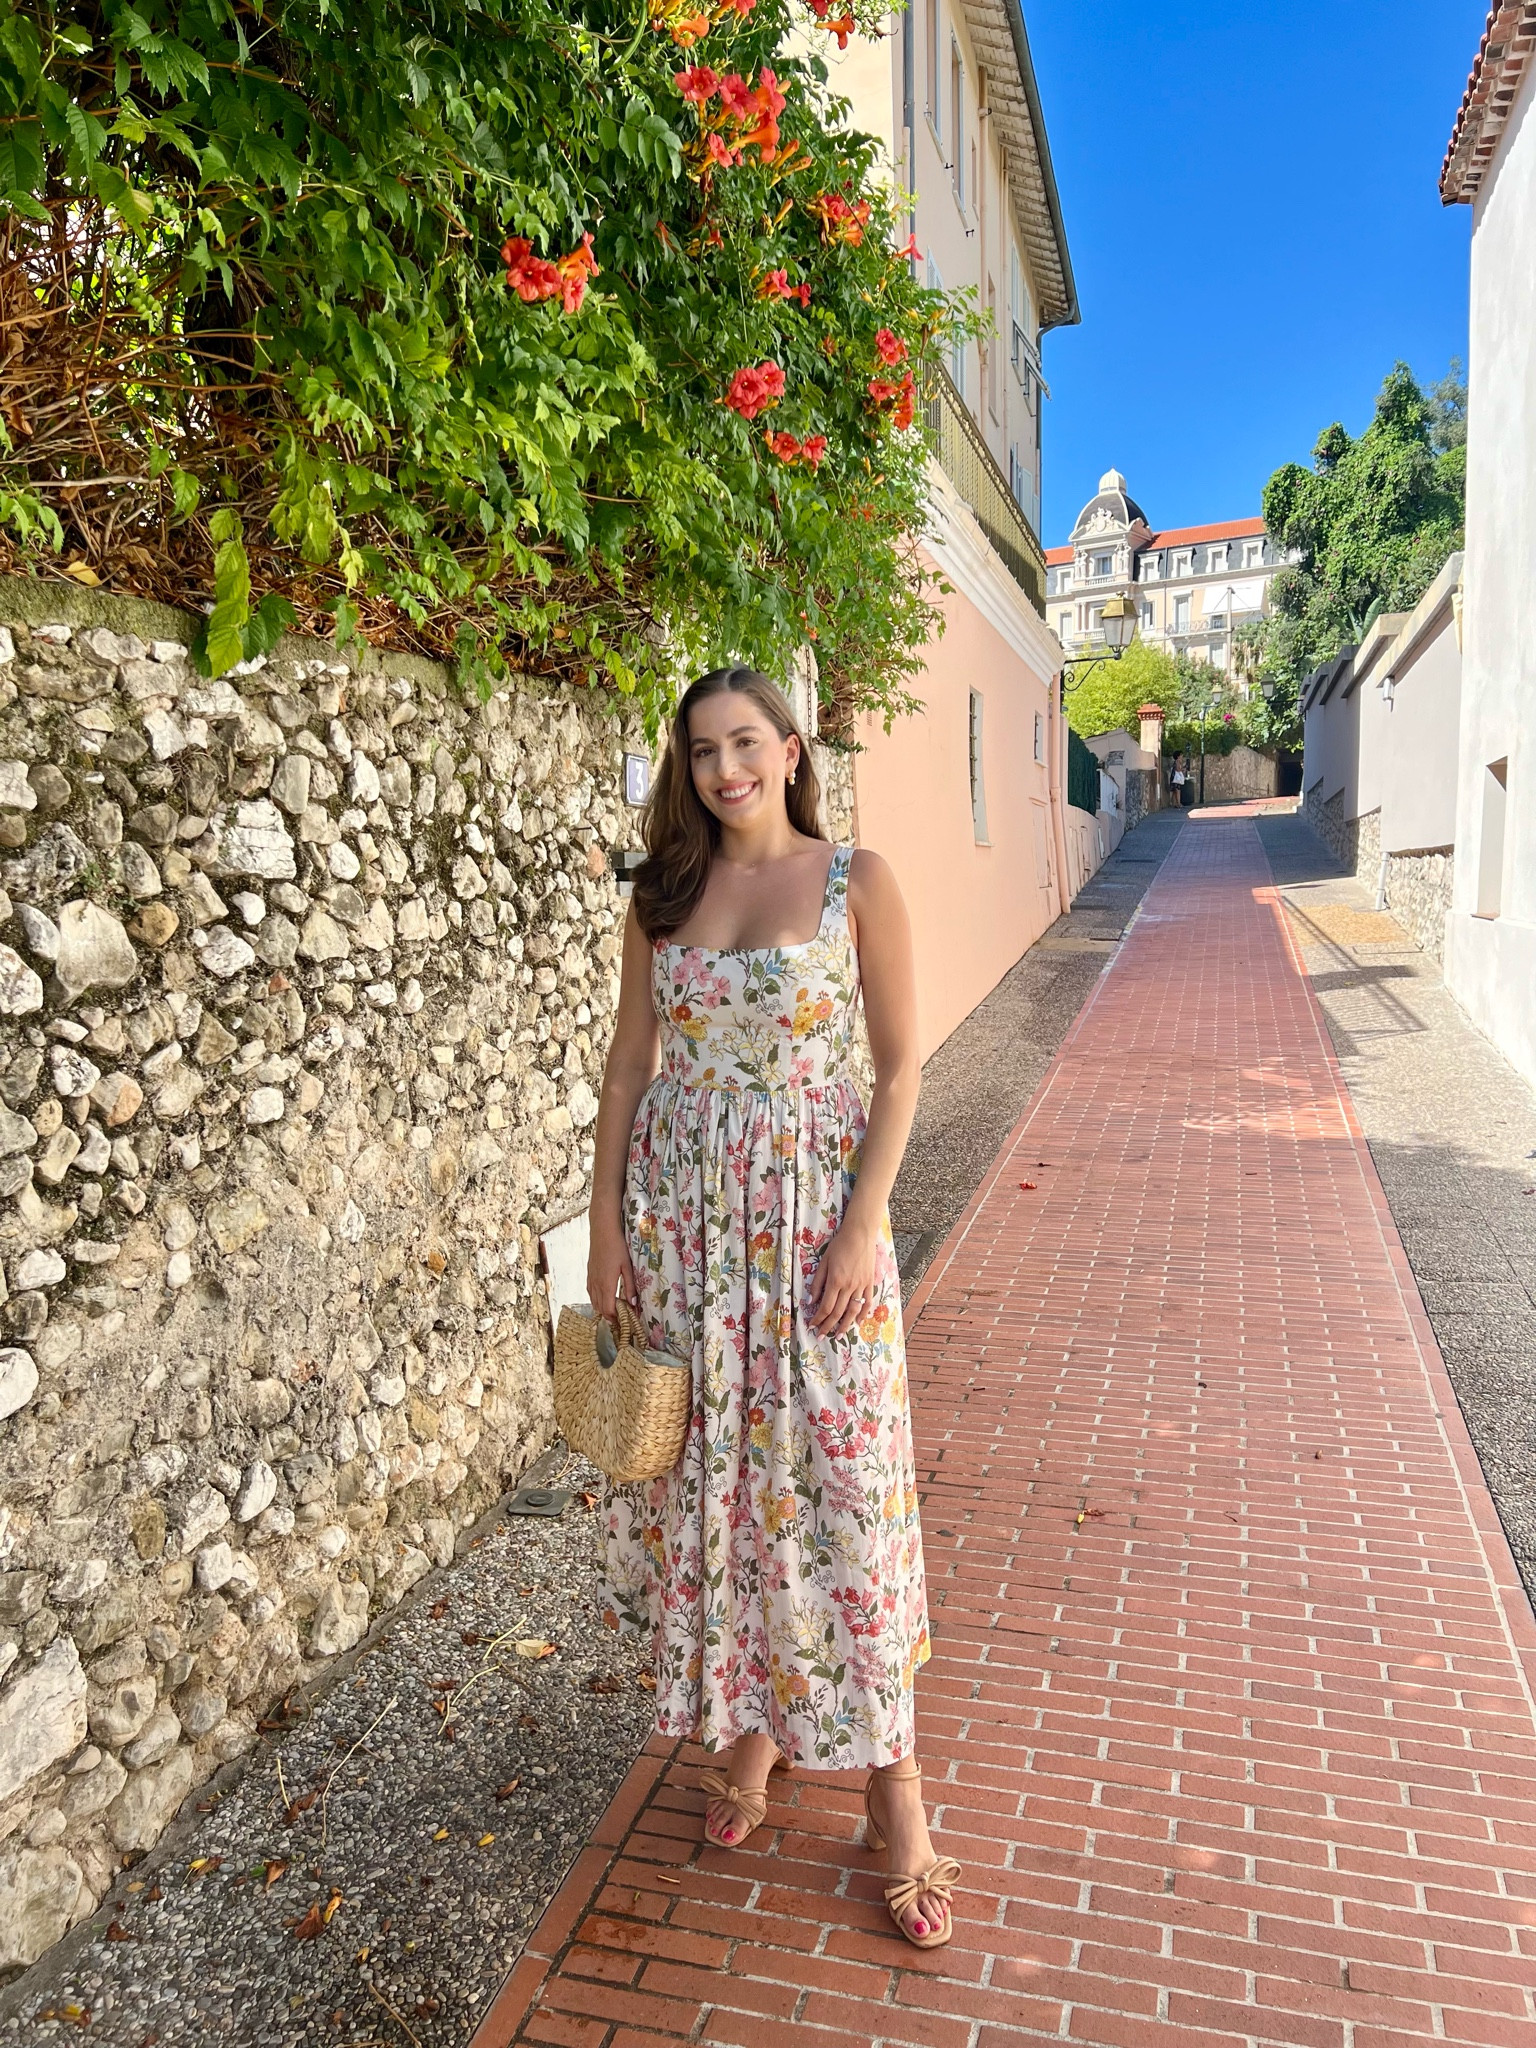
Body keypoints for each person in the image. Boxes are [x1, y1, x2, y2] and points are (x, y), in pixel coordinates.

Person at [585, 665, 959, 1950]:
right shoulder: (663, 896)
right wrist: (603, 1229)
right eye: (700, 750)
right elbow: (631, 1066)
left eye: (745, 742)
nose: (724, 768)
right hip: (688, 1236)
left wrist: (864, 1222)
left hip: (815, 1231)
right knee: (726, 1488)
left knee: (848, 1486)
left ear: (792, 750)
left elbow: (903, 1066)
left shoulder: (856, 881)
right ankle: (752, 1726)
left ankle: (896, 1792)